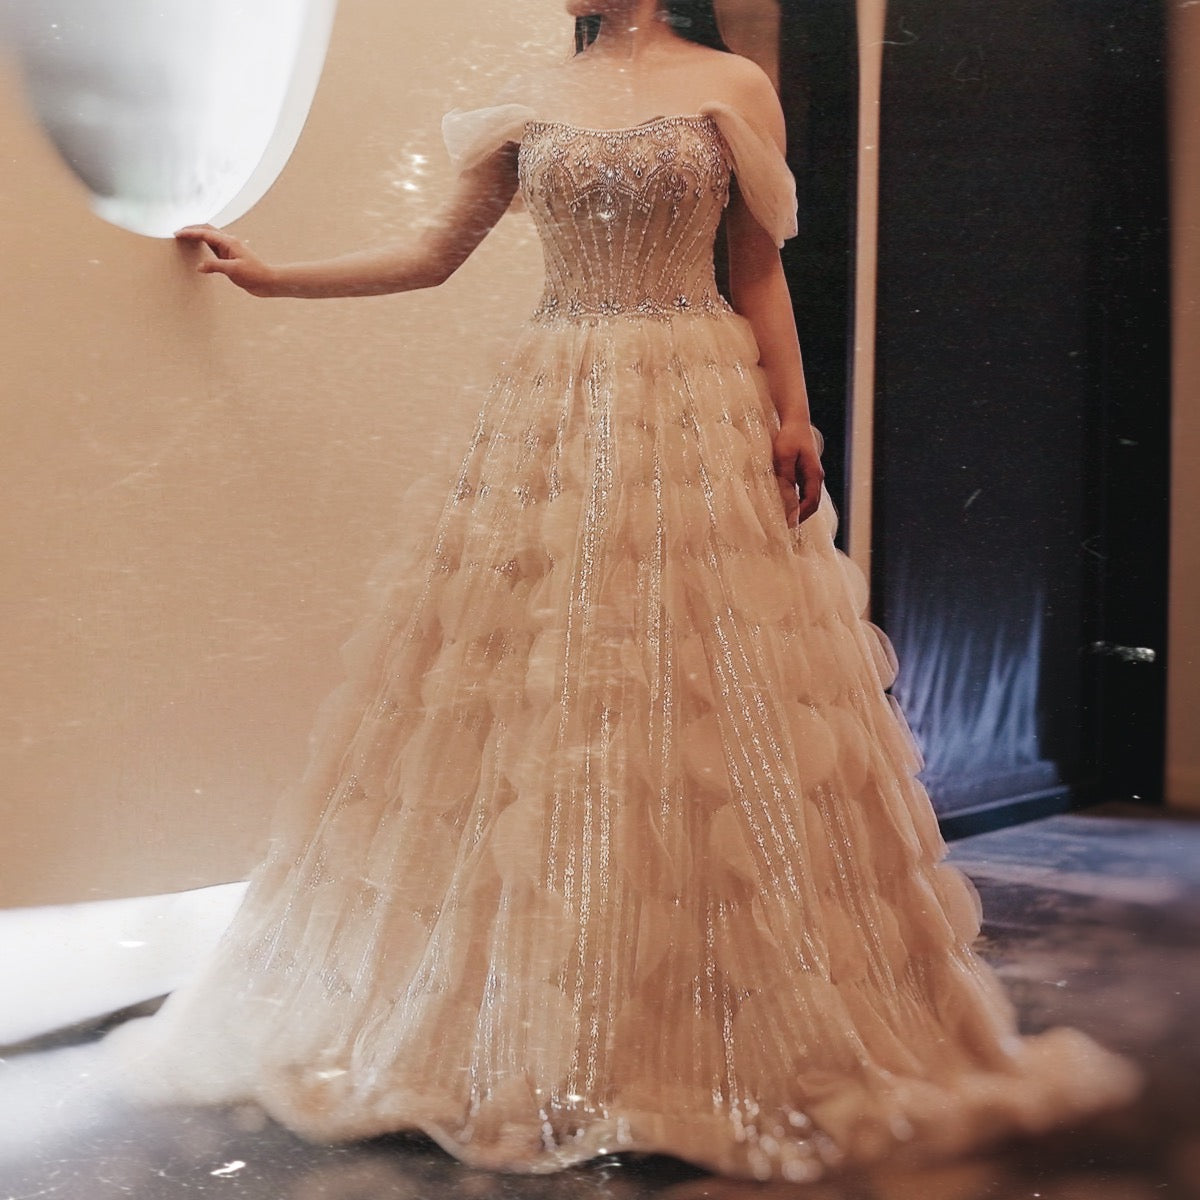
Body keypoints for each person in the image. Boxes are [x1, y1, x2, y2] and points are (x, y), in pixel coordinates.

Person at [105, 0, 1140, 1183]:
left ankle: (702, 1022)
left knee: (703, 684)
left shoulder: (732, 85)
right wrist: (272, 278)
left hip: (694, 400)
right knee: (535, 680)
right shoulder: (529, 101)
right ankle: (521, 1017)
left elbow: (757, 267)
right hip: (553, 402)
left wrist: (794, 416)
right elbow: (433, 254)